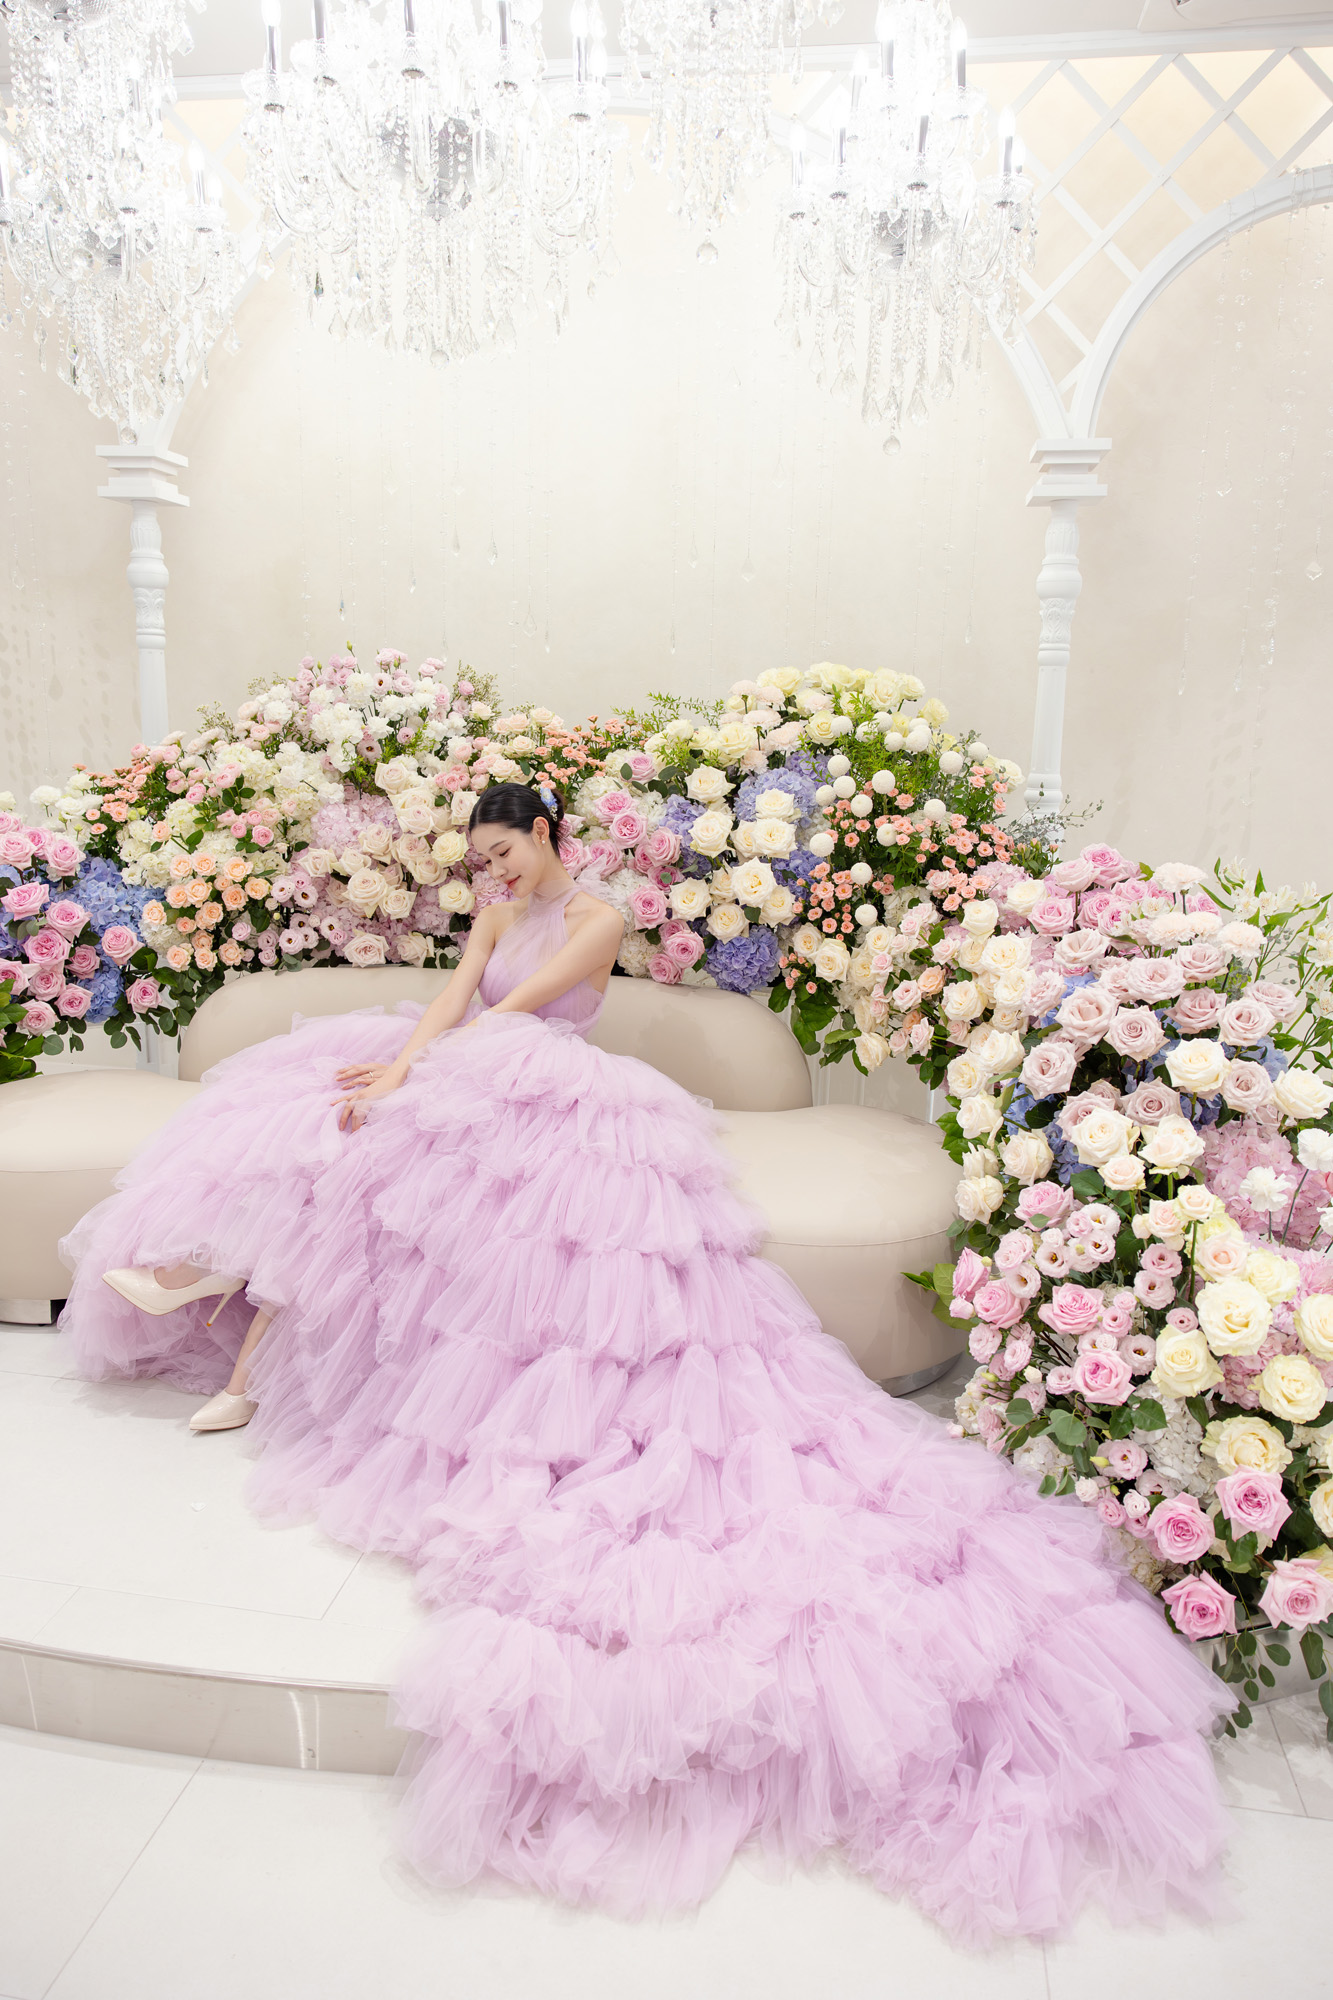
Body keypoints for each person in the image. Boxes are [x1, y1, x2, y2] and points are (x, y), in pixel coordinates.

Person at [58, 780, 1233, 1944]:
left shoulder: (597, 915)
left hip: (551, 1092)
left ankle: (230, 1308)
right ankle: (224, 1295)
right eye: (480, 857)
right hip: (466, 1068)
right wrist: (402, 1064)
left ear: (546, 835)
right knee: (331, 1103)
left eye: (504, 850)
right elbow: (455, 999)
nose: (492, 872)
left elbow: (520, 1014)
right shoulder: (490, 912)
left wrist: (428, 1072)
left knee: (400, 1141)